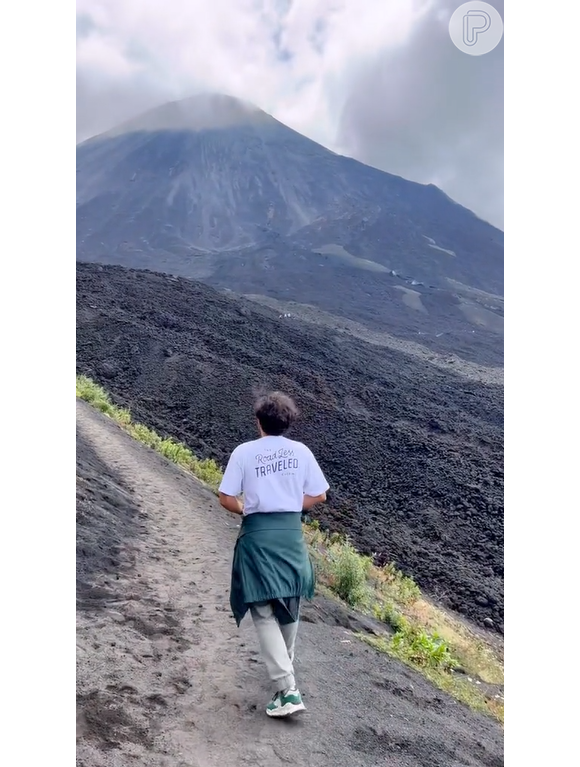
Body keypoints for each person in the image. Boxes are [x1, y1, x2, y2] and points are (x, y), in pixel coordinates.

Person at [218, 391, 329, 718]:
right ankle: (285, 678)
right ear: (288, 422)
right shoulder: (302, 452)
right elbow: (319, 495)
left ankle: (288, 688)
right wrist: (293, 508)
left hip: (258, 535)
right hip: (290, 535)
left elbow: (226, 497)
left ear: (259, 421)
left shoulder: (244, 452)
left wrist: (246, 510)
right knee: (289, 601)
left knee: (263, 608)